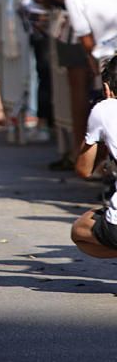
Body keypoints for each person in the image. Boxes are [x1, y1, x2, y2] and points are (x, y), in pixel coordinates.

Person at [72, 57, 117, 258]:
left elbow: (84, 170)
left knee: (80, 229)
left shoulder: (105, 109)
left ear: (106, 89)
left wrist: (95, 136)